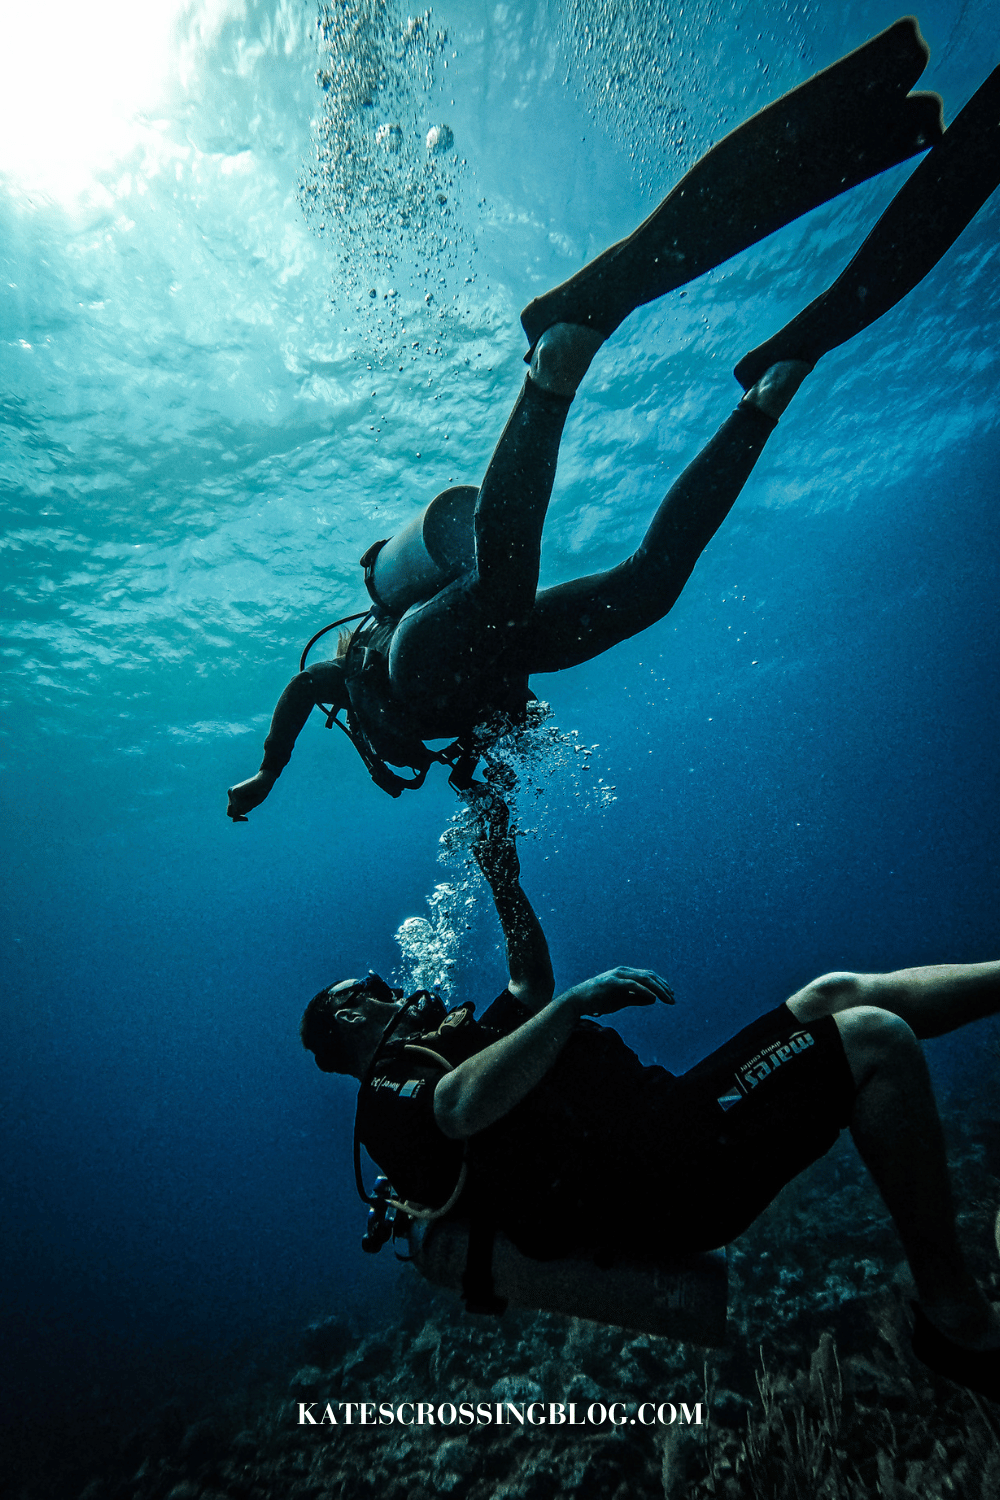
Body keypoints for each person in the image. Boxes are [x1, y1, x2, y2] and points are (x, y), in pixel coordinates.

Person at [227, 37, 1000, 818]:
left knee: (500, 589)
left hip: (420, 658)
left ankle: (555, 365)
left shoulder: (354, 685)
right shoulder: (467, 751)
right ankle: (769, 391)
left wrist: (267, 773)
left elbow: (302, 687)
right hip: (506, 650)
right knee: (645, 593)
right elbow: (498, 758)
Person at [301, 791, 1000, 1398]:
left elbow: (526, 986)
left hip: (664, 1130)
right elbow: (455, 1109)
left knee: (833, 996)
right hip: (654, 1177)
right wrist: (574, 1006)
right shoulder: (388, 1087)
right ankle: (956, 1321)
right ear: (345, 1018)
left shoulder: (439, 1047)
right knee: (872, 1038)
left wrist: (502, 878)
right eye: (367, 989)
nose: (388, 986)